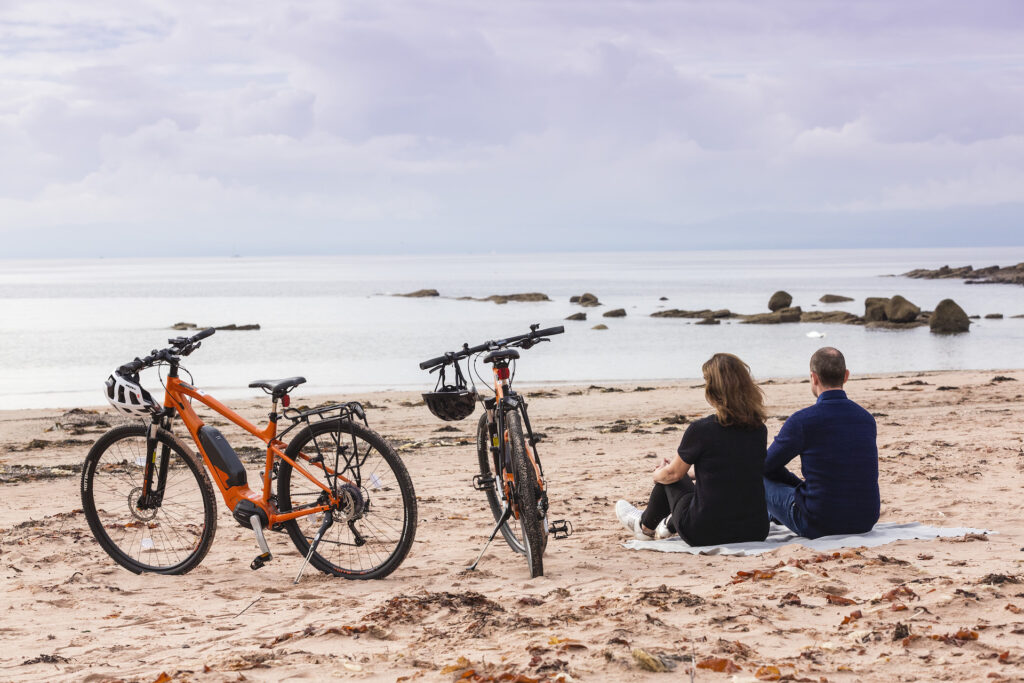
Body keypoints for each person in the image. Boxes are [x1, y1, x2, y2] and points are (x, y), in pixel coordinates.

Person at [615, 353, 769, 546]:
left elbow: (672, 475)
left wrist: (658, 474)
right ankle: (660, 525)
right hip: (754, 529)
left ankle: (644, 526)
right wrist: (690, 473)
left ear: (712, 390)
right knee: (678, 474)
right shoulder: (759, 429)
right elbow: (735, 467)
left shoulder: (701, 429)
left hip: (704, 531)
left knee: (669, 476)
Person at [763, 347, 879, 539]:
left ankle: (764, 516)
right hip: (865, 520)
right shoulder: (866, 418)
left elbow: (764, 466)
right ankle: (772, 513)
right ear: (846, 376)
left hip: (819, 523)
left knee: (759, 479)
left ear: (814, 377)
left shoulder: (803, 420)